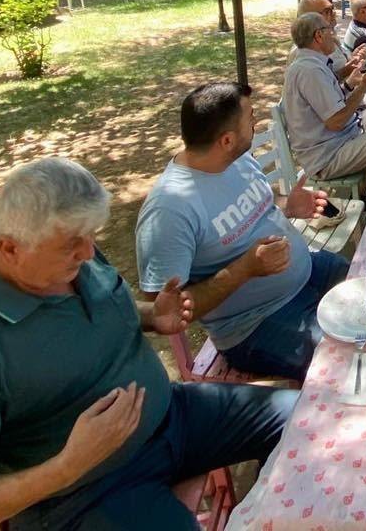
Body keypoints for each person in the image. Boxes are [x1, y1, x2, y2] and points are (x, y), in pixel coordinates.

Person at [0, 158, 296, 531]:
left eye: (91, 236)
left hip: (171, 417)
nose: (89, 252)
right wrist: (66, 466)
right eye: (71, 244)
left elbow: (103, 311)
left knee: (303, 420)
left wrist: (151, 316)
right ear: (10, 248)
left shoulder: (76, 262)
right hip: (87, 492)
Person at [136, 83, 347, 381]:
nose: (255, 121)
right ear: (226, 140)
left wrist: (289, 204)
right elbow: (163, 306)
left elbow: (256, 200)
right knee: (346, 360)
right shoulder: (170, 209)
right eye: (250, 116)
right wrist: (245, 269)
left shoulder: (235, 159)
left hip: (309, 272)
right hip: (257, 323)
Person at [283, 11, 366, 187]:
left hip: (346, 132)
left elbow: (330, 102)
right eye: (330, 29)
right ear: (319, 36)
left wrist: (349, 78)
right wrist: (363, 85)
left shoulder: (313, 63)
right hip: (328, 154)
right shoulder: (310, 71)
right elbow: (336, 122)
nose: (334, 34)